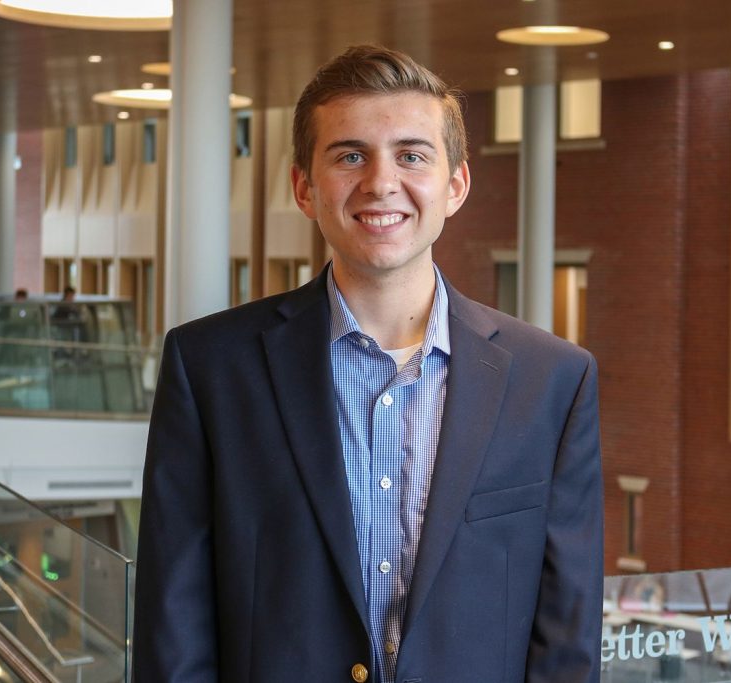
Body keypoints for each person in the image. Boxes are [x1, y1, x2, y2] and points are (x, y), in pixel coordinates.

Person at [133, 44, 603, 683]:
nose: (381, 182)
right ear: (304, 188)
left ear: (455, 185)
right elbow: (173, 621)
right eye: (350, 155)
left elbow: (567, 636)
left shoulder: (552, 381)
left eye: (412, 155)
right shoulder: (209, 368)